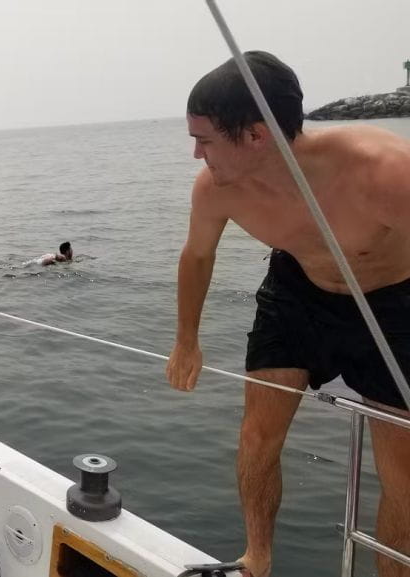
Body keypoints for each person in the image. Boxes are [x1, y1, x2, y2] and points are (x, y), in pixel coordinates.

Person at [165, 51, 410, 577]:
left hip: (395, 304)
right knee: (257, 435)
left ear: (255, 135)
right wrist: (187, 339)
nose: (194, 154)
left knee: (404, 476)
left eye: (204, 140)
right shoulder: (217, 188)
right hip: (298, 292)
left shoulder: (385, 172)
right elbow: (197, 255)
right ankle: (257, 559)